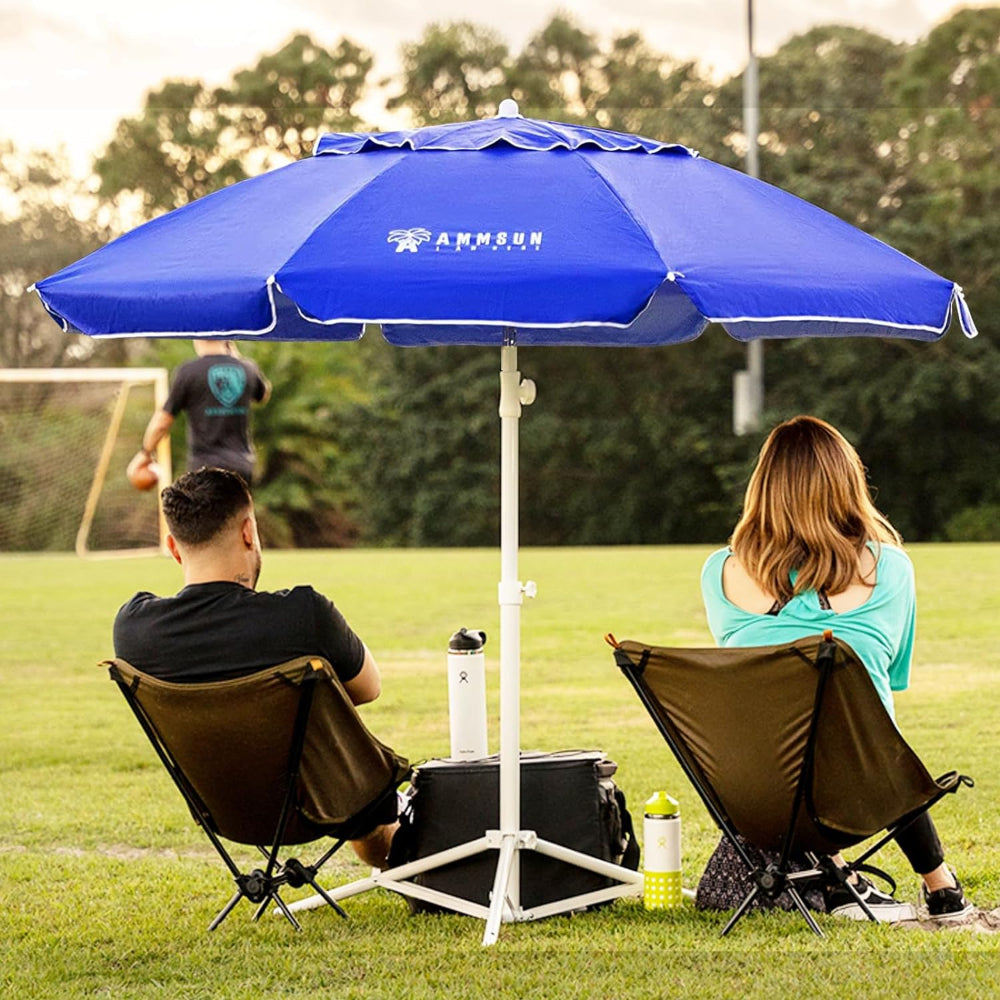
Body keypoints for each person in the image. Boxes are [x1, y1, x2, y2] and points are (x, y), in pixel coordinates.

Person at [699, 414, 974, 923]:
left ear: (764, 489)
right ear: (848, 484)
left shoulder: (721, 572)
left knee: (806, 724)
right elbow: (888, 680)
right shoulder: (890, 568)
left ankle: (838, 875)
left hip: (754, 793)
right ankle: (940, 885)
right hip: (858, 792)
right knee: (864, 733)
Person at [113, 467, 396, 868]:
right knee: (383, 809)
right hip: (333, 805)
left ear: (174, 548)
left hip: (226, 813)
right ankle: (393, 858)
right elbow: (368, 688)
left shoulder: (133, 628)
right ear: (249, 532)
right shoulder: (304, 614)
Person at [130, 340, 271, 487]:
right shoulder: (248, 368)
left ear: (197, 337)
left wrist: (145, 453)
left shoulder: (188, 371)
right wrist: (236, 357)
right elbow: (263, 395)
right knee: (239, 510)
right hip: (241, 465)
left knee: (207, 510)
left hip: (204, 466)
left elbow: (162, 422)